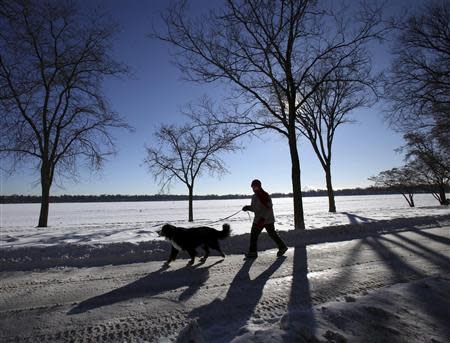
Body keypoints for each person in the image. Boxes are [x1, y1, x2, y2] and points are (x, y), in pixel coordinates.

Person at [242, 179, 288, 259]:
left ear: (259, 186)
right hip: (258, 219)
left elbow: (269, 208)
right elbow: (255, 208)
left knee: (269, 234)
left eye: (255, 187)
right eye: (253, 187)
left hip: (266, 219)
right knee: (255, 235)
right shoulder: (254, 197)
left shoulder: (265, 195)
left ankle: (253, 253)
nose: (254, 189)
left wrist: (263, 219)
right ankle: (282, 247)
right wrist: (248, 208)